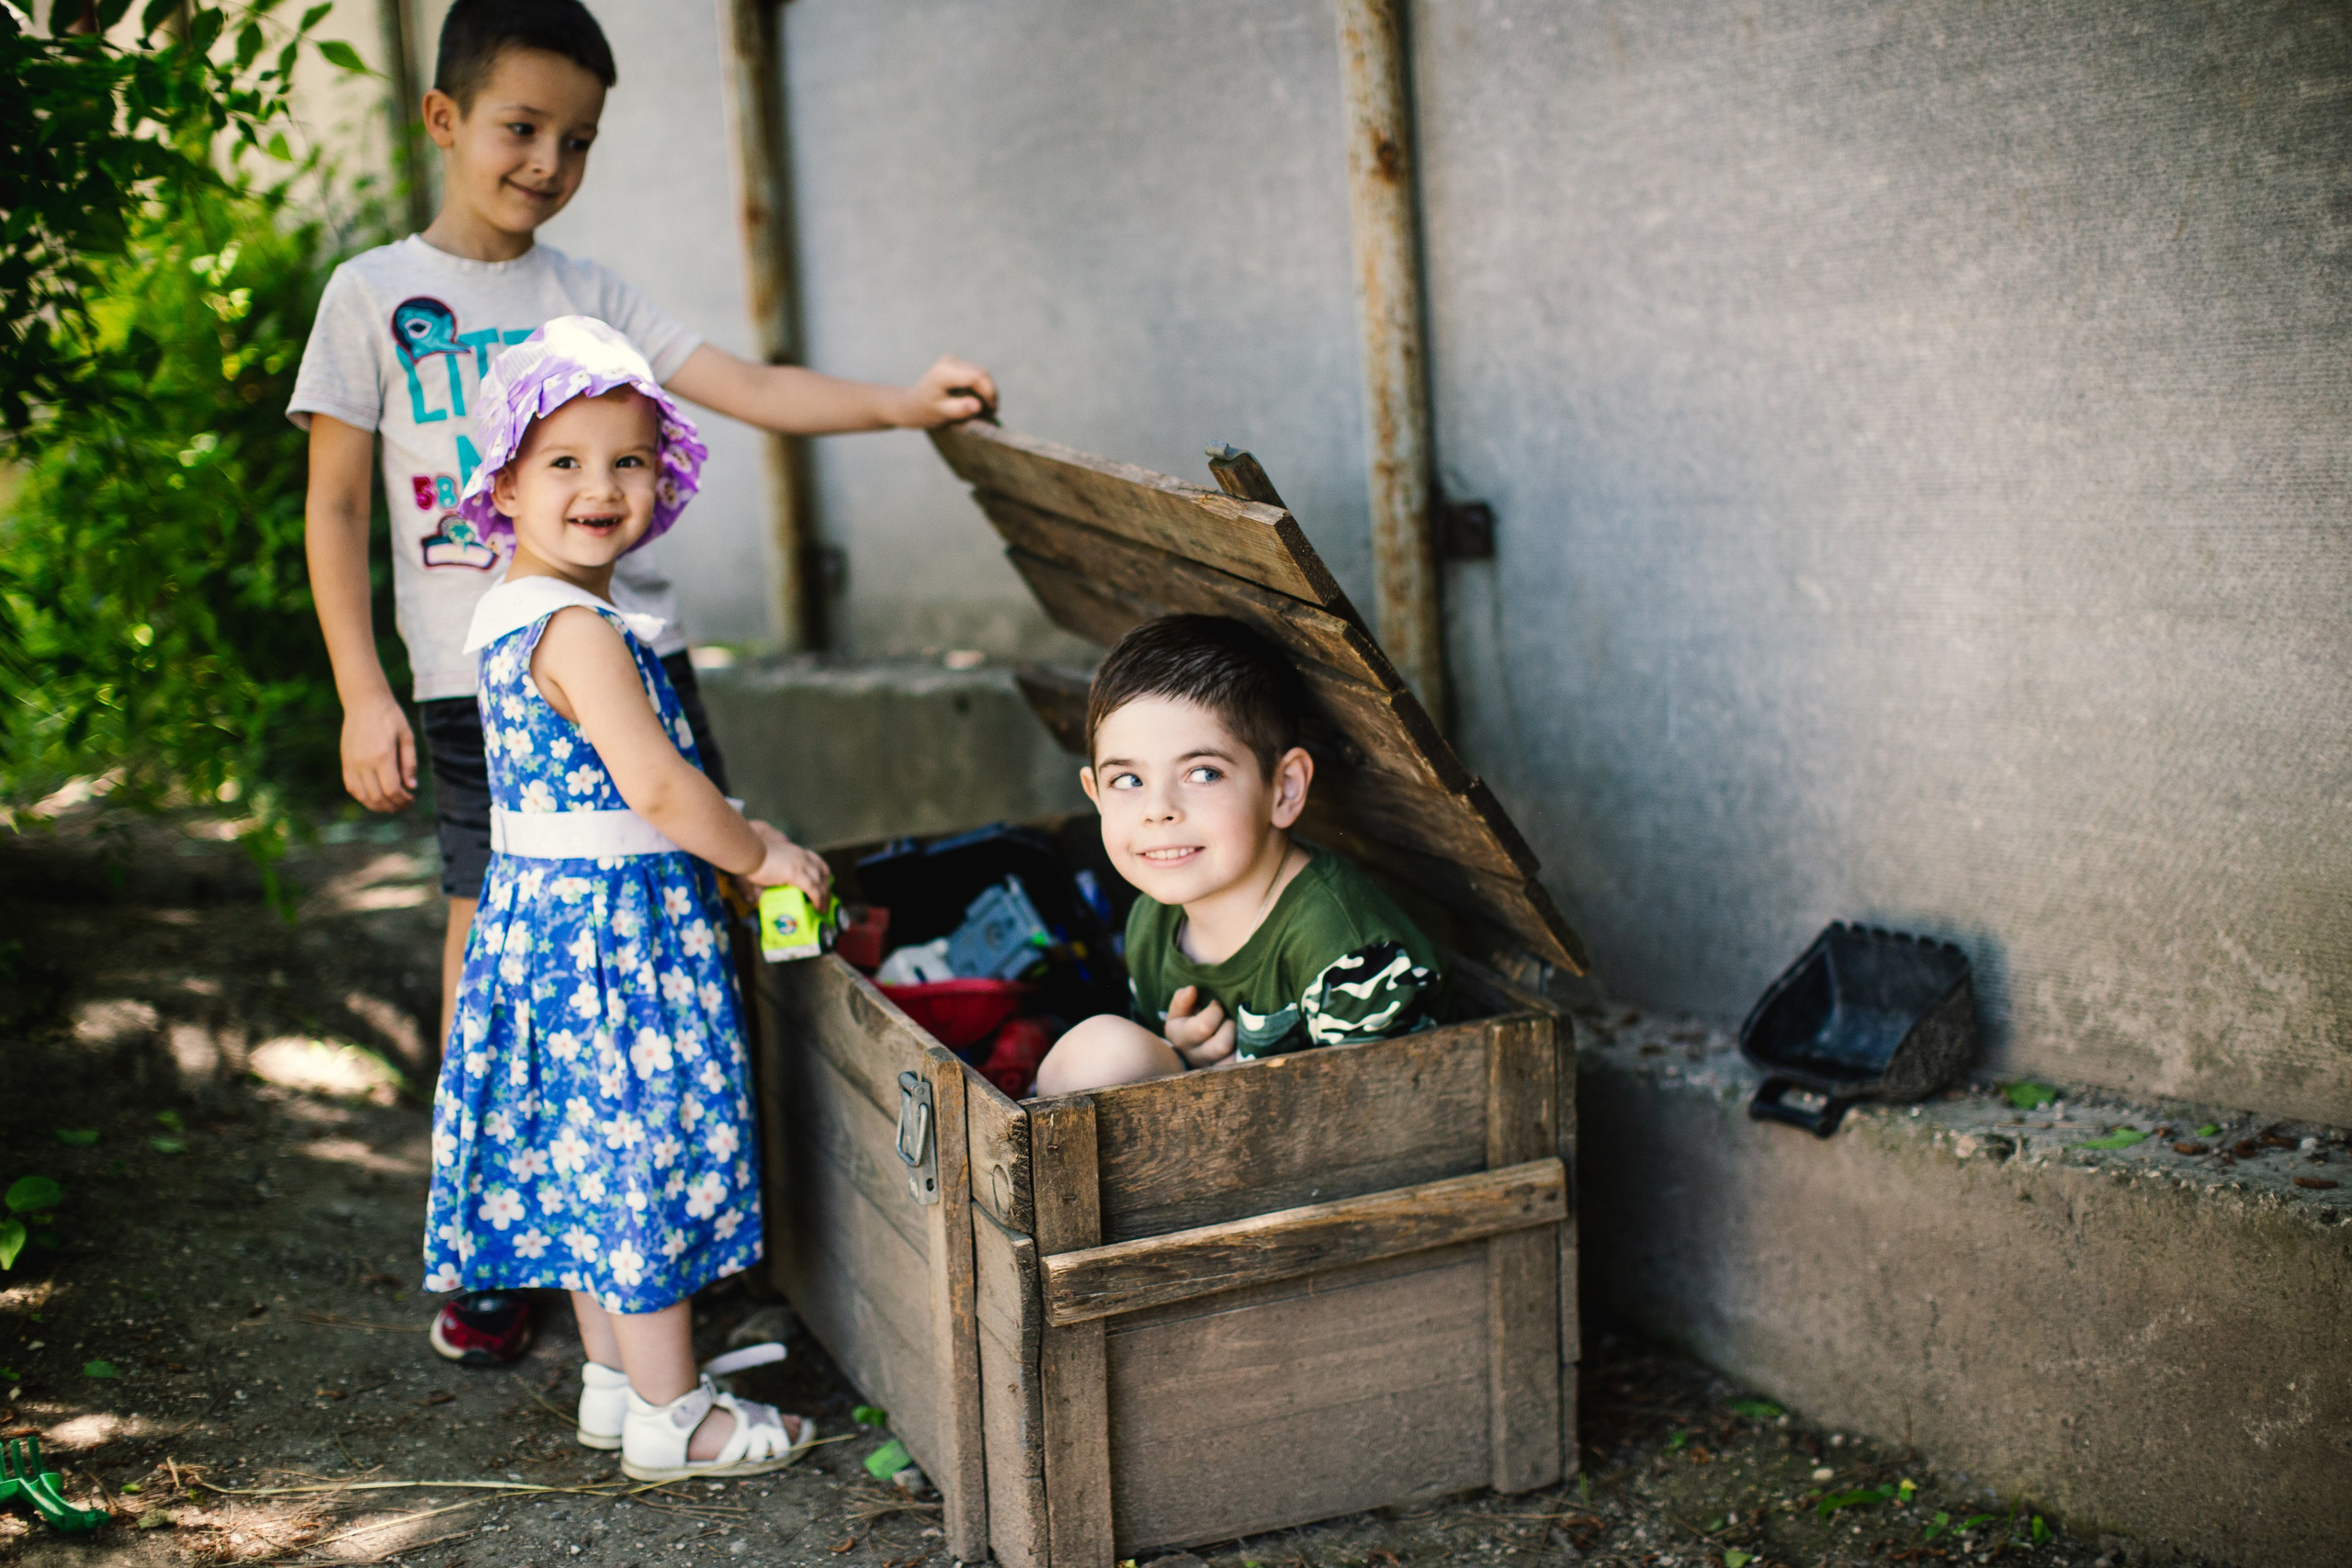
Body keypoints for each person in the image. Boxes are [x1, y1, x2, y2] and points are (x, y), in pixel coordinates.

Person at [288, 0, 995, 1364]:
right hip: (471, 679)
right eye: (520, 129)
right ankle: (503, 1243)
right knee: (490, 956)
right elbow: (331, 511)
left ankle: (679, 1224)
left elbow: (741, 381)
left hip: (636, 666)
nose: (547, 160)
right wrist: (359, 688)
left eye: (579, 139)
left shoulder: (590, 292)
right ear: (443, 120)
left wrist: (902, 404)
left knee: (686, 905)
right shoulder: (371, 294)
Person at [423, 315, 820, 1479]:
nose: (601, 486)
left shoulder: (506, 611)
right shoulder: (580, 628)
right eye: (564, 462)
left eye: (629, 460)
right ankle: (674, 1417)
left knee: (596, 1171)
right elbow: (653, 782)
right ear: (502, 481)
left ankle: (616, 1384)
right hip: (611, 943)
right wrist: (759, 853)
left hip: (550, 930)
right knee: (640, 1160)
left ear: (662, 474)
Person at [1033, 615, 1448, 1096]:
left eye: (1203, 773)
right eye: (1128, 780)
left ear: (1285, 788)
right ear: (1095, 794)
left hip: (1358, 1142)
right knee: (1101, 1054)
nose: (1158, 810)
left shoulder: (1343, 948)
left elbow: (1399, 1112)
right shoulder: (1152, 922)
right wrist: (1176, 1052)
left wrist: (1231, 1091)